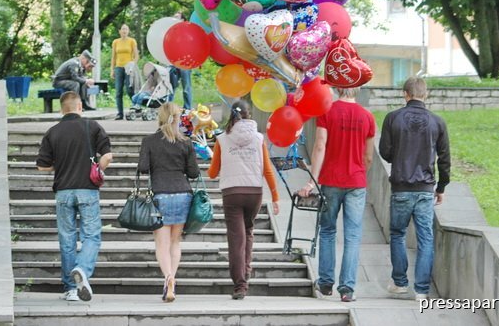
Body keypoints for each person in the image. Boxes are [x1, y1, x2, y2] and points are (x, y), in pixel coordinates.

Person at [297, 87, 376, 303]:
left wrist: (312, 180)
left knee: (327, 231)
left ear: (338, 87)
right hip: (356, 182)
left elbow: (320, 146)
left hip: (331, 180)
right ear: (357, 88)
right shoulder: (367, 116)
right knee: (353, 236)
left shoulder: (327, 111)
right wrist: (359, 174)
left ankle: (325, 282)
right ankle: (347, 289)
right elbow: (368, 156)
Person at [378, 77, 450, 301]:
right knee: (425, 239)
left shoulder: (392, 118)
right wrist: (441, 187)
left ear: (405, 94)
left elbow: (385, 152)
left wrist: (399, 155)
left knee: (398, 234)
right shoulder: (438, 122)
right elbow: (445, 159)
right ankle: (421, 290)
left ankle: (400, 283)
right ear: (425, 94)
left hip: (401, 187)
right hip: (425, 189)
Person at [36, 91, 113, 301]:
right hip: (87, 189)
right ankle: (82, 269)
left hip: (63, 192)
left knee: (67, 239)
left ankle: (71, 289)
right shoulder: (92, 126)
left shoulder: (53, 132)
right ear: (80, 106)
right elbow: (107, 156)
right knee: (91, 236)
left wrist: (61, 166)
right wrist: (98, 168)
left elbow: (42, 166)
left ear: (62, 109)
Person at [207, 100, 280, 300]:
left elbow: (212, 173)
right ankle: (246, 271)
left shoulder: (222, 139)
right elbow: (267, 169)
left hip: (232, 193)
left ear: (232, 114)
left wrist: (212, 158)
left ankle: (240, 285)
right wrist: (275, 196)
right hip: (254, 192)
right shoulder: (259, 138)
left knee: (236, 238)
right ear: (249, 114)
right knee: (248, 231)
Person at [137, 102, 200, 303]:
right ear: (176, 118)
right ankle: (173, 279)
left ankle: (168, 278)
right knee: (175, 241)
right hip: (183, 194)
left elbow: (143, 168)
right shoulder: (185, 142)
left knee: (162, 243)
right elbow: (193, 173)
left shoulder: (149, 141)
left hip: (160, 195)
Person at [111, 24, 140, 120]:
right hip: (118, 68)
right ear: (119, 31)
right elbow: (113, 57)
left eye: (126, 29)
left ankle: (136, 106)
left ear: (128, 31)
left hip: (128, 68)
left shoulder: (132, 41)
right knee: (118, 92)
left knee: (129, 89)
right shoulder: (115, 42)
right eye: (123, 29)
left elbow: (136, 56)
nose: (124, 31)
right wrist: (112, 70)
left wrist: (132, 65)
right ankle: (120, 113)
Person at [169, 12, 193, 110]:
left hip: (185, 63)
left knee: (186, 87)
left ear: (182, 20)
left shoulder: (187, 32)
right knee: (171, 87)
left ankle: (187, 109)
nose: (174, 19)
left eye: (177, 17)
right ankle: (168, 108)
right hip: (173, 62)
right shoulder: (171, 32)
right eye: (174, 17)